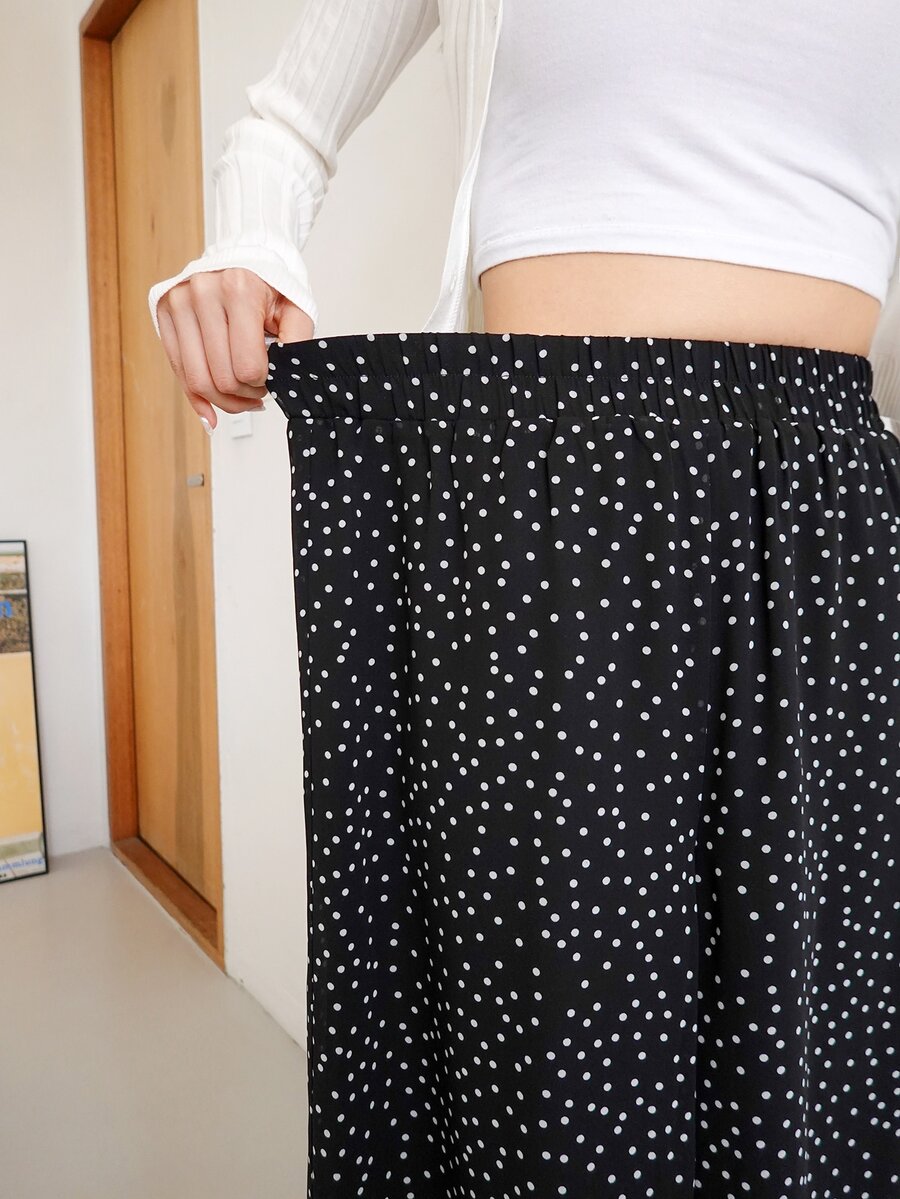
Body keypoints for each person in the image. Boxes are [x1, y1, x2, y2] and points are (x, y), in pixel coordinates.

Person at [148, 2, 900, 1196]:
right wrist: (248, 242)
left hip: (826, 513)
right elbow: (286, 121)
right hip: (554, 507)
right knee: (562, 1055)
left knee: (812, 1024)